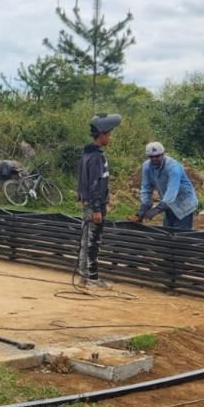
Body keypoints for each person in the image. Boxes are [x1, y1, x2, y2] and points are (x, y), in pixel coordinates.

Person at [75, 112, 121, 289]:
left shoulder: (88, 154)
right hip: (95, 205)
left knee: (89, 241)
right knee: (91, 242)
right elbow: (94, 184)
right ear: (102, 134)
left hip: (92, 203)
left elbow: (82, 182)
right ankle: (90, 279)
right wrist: (96, 209)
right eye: (109, 134)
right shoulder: (96, 157)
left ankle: (87, 277)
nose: (109, 137)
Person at [129, 141, 199, 230]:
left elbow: (171, 191)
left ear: (163, 154)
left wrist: (156, 210)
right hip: (168, 205)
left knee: (181, 236)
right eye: (151, 157)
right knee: (167, 233)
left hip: (184, 203)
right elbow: (146, 188)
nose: (154, 159)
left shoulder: (173, 167)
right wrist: (144, 207)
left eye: (157, 156)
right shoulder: (147, 166)